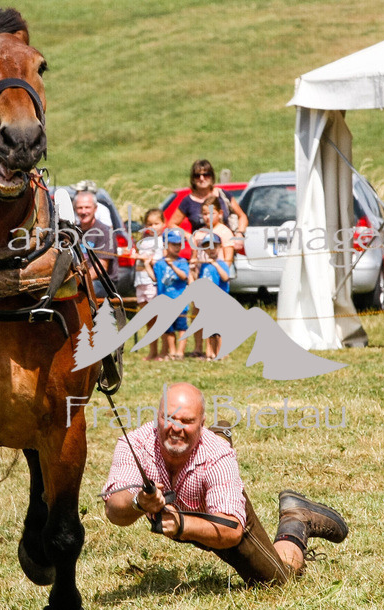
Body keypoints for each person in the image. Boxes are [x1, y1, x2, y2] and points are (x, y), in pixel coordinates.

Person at [101, 382, 348, 586]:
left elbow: (232, 530)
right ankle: (223, 431)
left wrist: (182, 525)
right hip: (187, 510)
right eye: (169, 418)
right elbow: (114, 510)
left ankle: (296, 520)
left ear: (201, 422)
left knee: (276, 579)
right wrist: (138, 502)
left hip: (220, 521)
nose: (176, 428)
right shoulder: (134, 444)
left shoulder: (217, 454)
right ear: (157, 416)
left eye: (187, 421)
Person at [165, 159, 248, 256]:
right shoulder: (188, 201)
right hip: (201, 253)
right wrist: (188, 236)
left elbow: (242, 216)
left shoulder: (223, 195)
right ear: (193, 179)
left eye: (206, 174)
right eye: (197, 175)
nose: (202, 178)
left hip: (226, 251)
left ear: (212, 176)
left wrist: (239, 234)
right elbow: (171, 224)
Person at [154, 230, 193, 359]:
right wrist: (148, 264)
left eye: (179, 244)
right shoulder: (159, 263)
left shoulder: (182, 262)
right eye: (173, 244)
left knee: (182, 328)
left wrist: (173, 266)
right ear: (165, 244)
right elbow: (154, 278)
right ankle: (172, 351)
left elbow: (184, 277)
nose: (177, 247)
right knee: (168, 329)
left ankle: (180, 352)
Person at [75, 190, 117, 299]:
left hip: (102, 282)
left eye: (87, 207)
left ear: (95, 208)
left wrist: (81, 281)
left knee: (80, 291)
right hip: (80, 279)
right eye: (80, 208)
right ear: (75, 209)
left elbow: (101, 266)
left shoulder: (105, 232)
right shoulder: (73, 231)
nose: (83, 211)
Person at [194, 233, 230, 360]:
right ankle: (209, 353)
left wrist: (214, 264)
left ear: (219, 247)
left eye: (214, 245)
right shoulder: (203, 265)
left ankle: (221, 352)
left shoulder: (222, 264)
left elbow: (225, 278)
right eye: (207, 246)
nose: (211, 249)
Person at [135, 209, 165, 361]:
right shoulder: (144, 241)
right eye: (149, 224)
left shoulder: (161, 242)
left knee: (158, 318)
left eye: (156, 223)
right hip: (140, 281)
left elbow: (158, 261)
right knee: (149, 320)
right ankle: (152, 351)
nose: (152, 227)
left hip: (152, 282)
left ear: (163, 224)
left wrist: (144, 258)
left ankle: (162, 351)